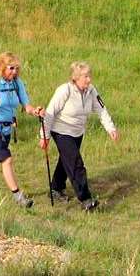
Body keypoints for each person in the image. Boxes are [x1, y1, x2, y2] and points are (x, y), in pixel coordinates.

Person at [39, 61, 119, 212]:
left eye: (89, 76)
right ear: (75, 78)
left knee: (66, 160)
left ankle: (55, 188)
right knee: (76, 163)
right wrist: (44, 135)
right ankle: (86, 199)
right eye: (85, 77)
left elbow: (101, 110)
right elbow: (50, 113)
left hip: (78, 132)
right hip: (61, 130)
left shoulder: (91, 91)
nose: (89, 80)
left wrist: (111, 128)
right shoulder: (64, 91)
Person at [0, 52, 42, 208]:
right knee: (6, 159)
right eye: (11, 68)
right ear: (2, 67)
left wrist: (35, 111)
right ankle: (18, 196)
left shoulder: (17, 84)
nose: (15, 72)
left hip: (6, 128)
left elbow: (26, 105)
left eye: (17, 68)